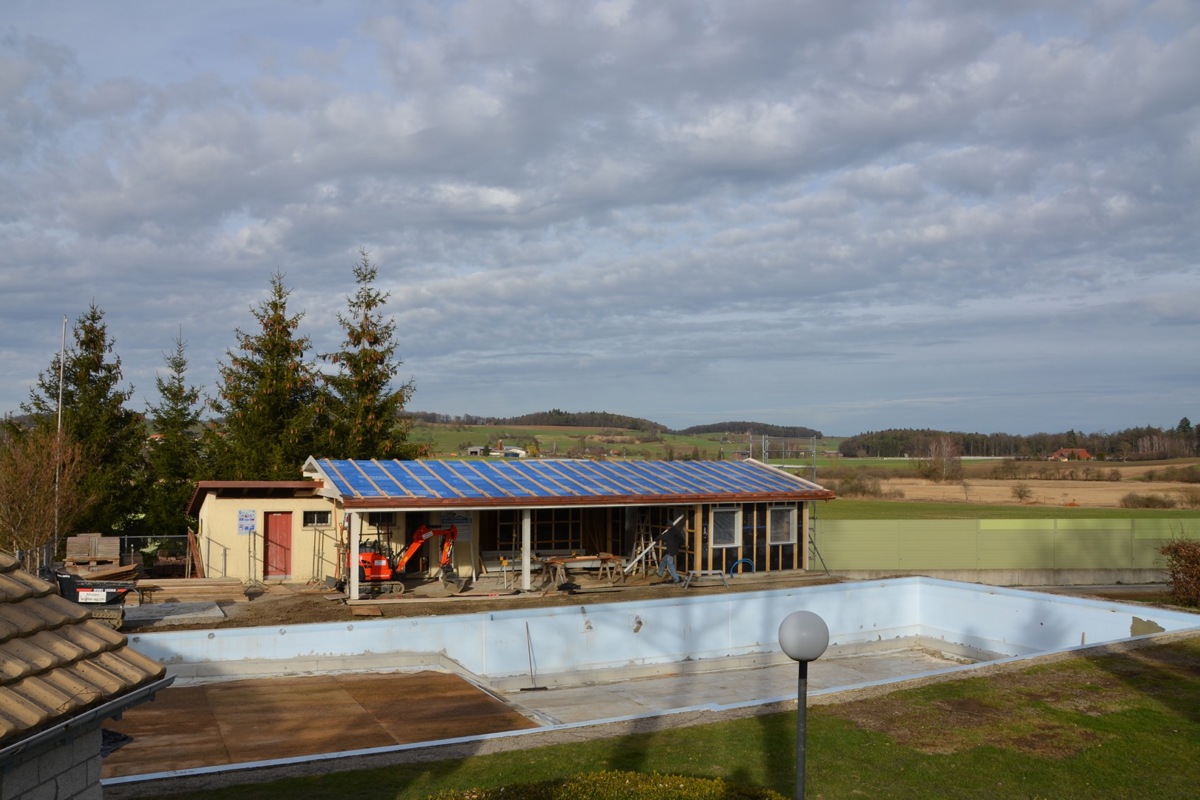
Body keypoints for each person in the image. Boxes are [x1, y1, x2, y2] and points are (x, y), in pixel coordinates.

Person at [655, 519, 685, 585]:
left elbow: (661, 537)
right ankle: (660, 573)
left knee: (670, 564)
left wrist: (655, 540)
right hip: (674, 550)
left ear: (668, 526)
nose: (666, 528)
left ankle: (676, 579)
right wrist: (678, 545)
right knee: (663, 560)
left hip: (670, 551)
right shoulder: (677, 531)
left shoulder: (669, 533)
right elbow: (682, 540)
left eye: (667, 527)